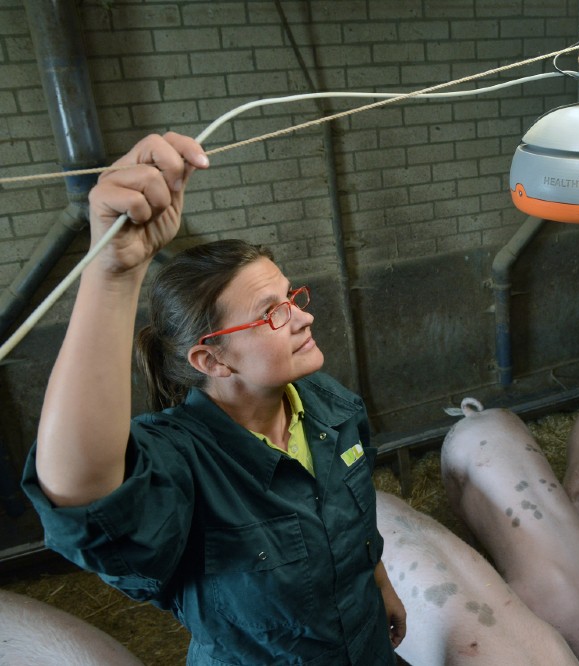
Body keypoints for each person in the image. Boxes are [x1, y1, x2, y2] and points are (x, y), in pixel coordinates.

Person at [20, 132, 406, 664]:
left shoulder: (331, 406)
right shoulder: (181, 460)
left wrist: (380, 583)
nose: (305, 317)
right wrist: (114, 274)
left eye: (292, 297)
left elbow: (356, 525)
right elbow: (83, 495)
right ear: (213, 360)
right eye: (273, 312)